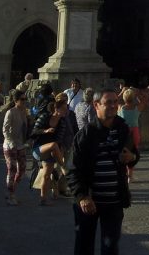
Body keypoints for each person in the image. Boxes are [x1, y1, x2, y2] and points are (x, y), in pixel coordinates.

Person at [71, 88, 139, 255]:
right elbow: (72, 169)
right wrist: (82, 196)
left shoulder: (123, 129)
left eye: (116, 102)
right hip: (89, 201)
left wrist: (132, 157)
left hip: (114, 201)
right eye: (108, 103)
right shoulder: (85, 134)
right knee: (84, 246)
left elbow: (134, 154)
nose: (114, 106)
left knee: (110, 247)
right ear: (96, 105)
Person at [31, 100, 67, 205]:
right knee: (53, 145)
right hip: (39, 148)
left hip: (52, 152)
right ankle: (64, 167)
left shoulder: (62, 122)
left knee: (47, 176)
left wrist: (57, 153)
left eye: (66, 109)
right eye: (63, 109)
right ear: (56, 109)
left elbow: (59, 139)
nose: (65, 111)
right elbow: (33, 132)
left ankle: (43, 199)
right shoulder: (45, 117)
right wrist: (45, 131)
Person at [2, 91, 28, 206]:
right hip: (10, 145)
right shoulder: (10, 112)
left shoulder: (24, 112)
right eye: (22, 99)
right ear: (16, 100)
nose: (24, 101)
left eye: (25, 99)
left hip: (20, 144)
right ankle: (10, 194)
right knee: (11, 169)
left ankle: (12, 189)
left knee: (22, 169)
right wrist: (10, 142)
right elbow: (5, 129)